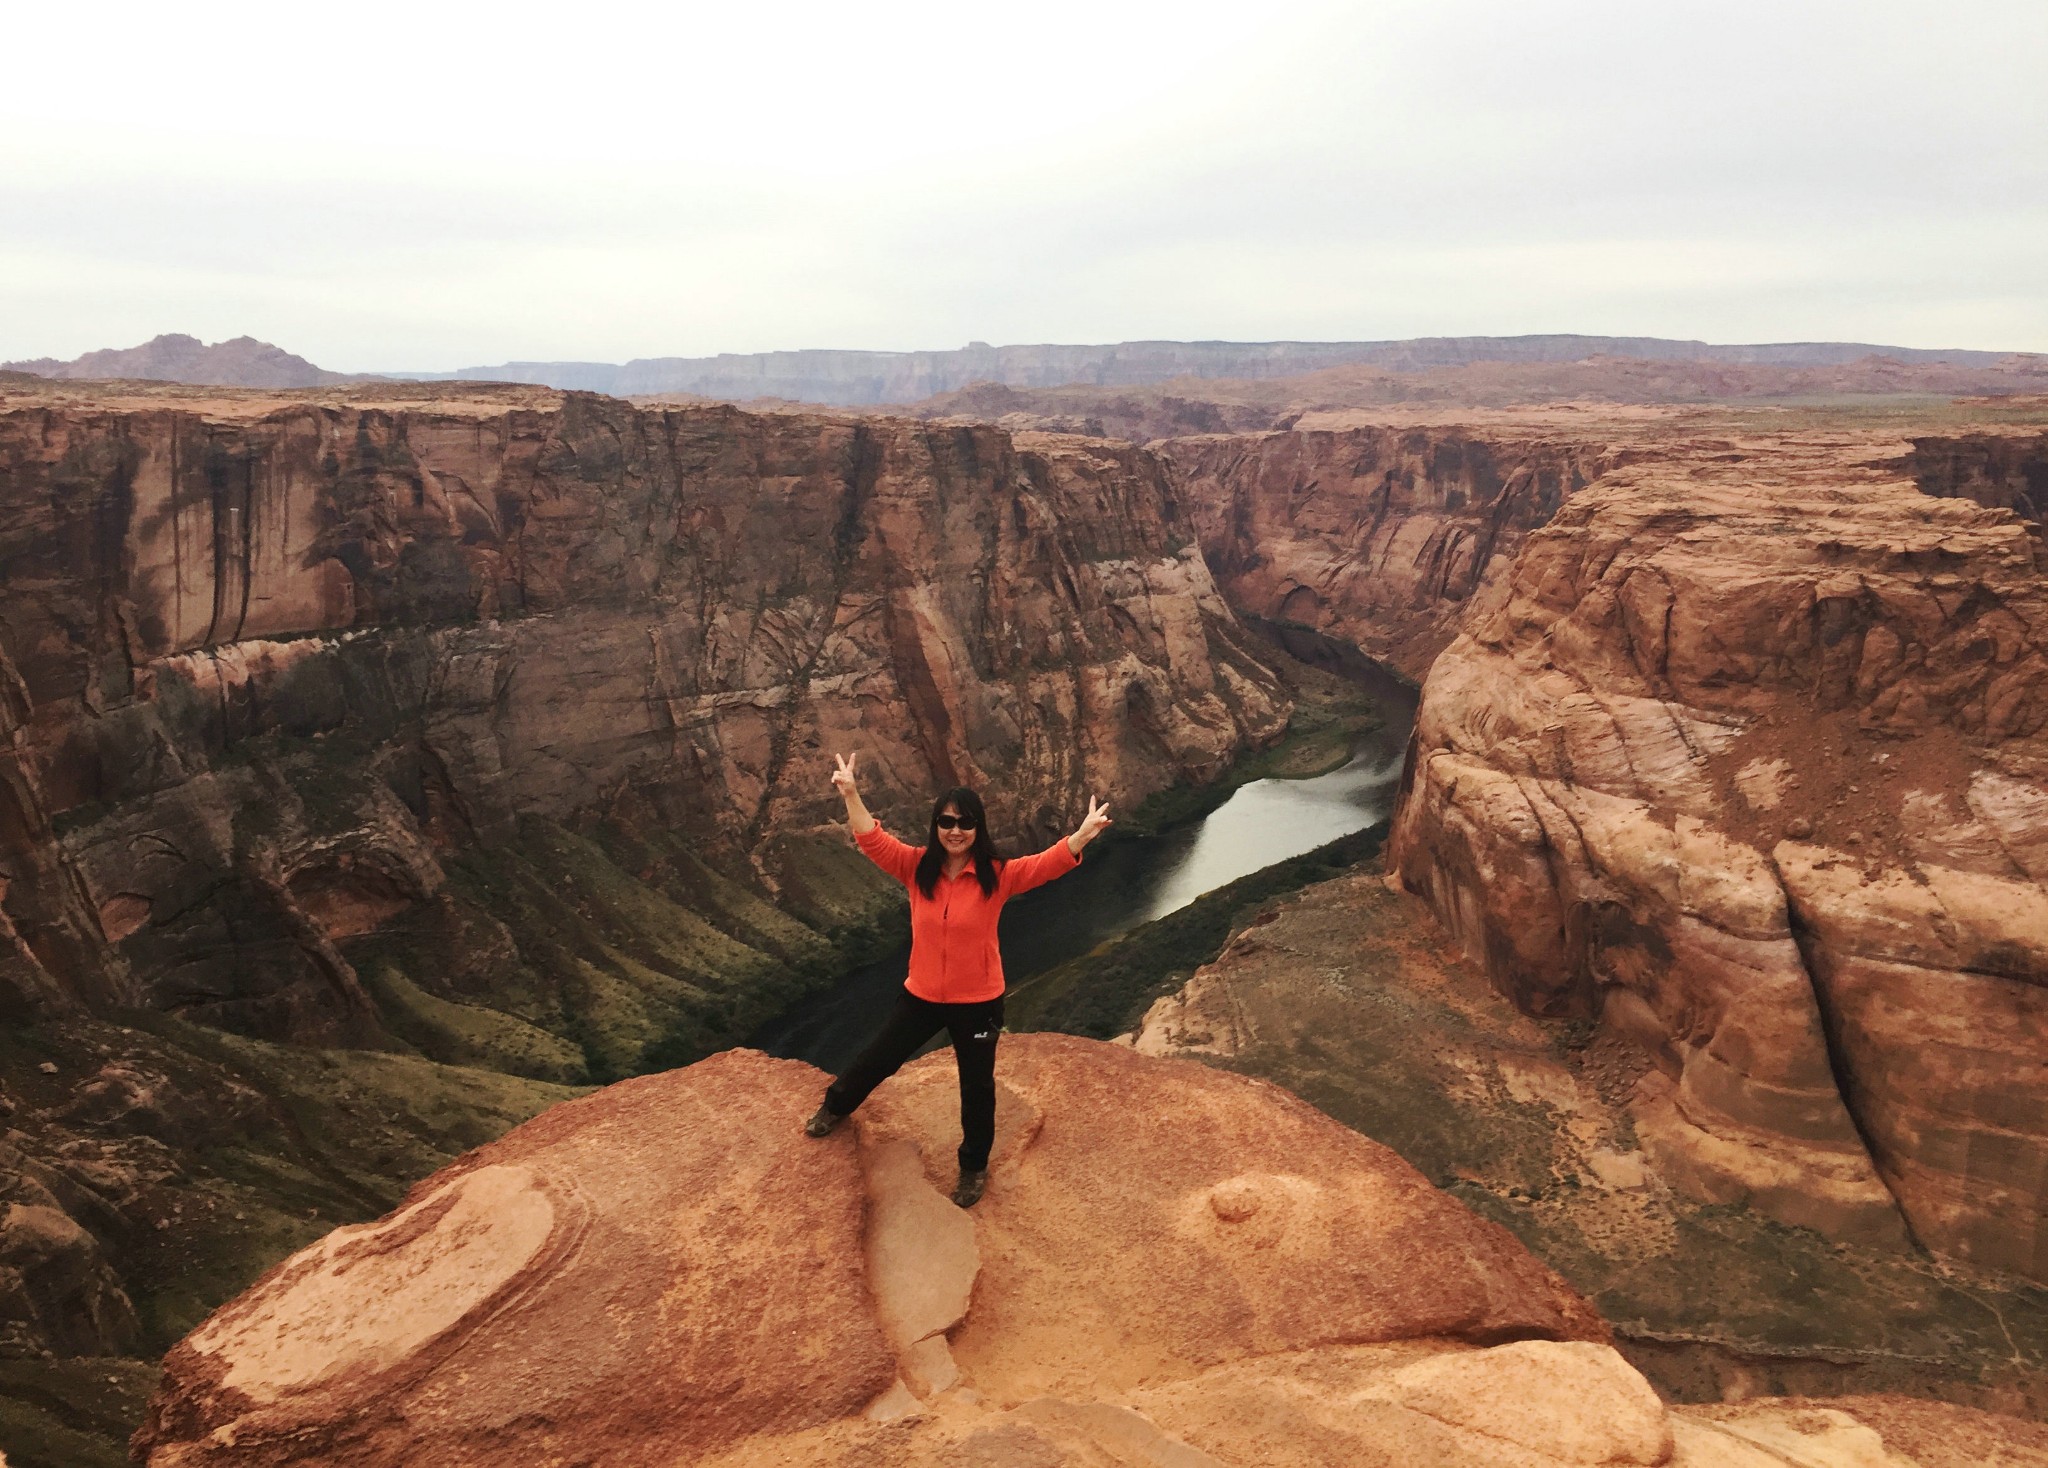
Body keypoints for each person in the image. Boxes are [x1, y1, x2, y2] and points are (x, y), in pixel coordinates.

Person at [806, 752, 1112, 1207]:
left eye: (965, 823)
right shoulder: (916, 868)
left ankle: (972, 1169)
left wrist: (1079, 838)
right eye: (947, 822)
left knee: (977, 1087)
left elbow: (1043, 865)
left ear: (977, 828)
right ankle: (835, 1107)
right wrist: (851, 793)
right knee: (878, 1057)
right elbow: (872, 839)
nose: (955, 830)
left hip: (979, 1003)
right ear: (935, 826)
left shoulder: (996, 876)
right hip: (922, 995)